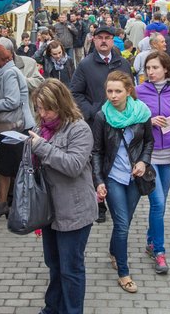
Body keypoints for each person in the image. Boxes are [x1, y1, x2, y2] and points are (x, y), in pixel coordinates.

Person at [28, 79, 98, 314]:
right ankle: (52, 308)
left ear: (61, 104)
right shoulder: (42, 129)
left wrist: (41, 148)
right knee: (54, 265)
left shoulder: (79, 128)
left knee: (71, 269)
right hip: (50, 210)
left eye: (47, 108)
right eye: (38, 108)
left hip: (74, 212)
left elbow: (73, 165)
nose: (42, 113)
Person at [92, 71, 154, 293]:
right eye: (109, 91)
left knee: (124, 223)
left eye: (118, 91)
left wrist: (143, 162)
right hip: (113, 177)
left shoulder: (142, 112)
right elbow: (97, 151)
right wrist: (98, 180)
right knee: (120, 224)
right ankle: (124, 273)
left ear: (129, 91)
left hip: (135, 177)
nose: (113, 96)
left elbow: (149, 142)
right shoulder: (102, 117)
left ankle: (113, 251)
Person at [70, 24, 133, 223]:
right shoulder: (86, 64)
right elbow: (75, 93)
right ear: (94, 40)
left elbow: (131, 90)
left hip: (121, 123)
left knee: (114, 160)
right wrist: (92, 111)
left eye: (108, 37)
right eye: (100, 38)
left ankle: (116, 199)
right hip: (96, 123)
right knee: (95, 161)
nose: (104, 41)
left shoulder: (122, 63)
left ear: (113, 40)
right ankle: (99, 204)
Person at [136, 51, 170, 274]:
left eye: (155, 67)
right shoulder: (138, 92)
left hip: (169, 157)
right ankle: (159, 252)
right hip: (149, 156)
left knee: (161, 203)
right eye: (148, 68)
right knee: (157, 203)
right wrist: (148, 119)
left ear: (166, 69)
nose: (151, 72)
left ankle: (150, 240)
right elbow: (129, 118)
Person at [0, 42, 36, 222]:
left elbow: (12, 101)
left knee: (10, 168)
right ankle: (4, 204)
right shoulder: (6, 72)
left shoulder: (10, 74)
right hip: (12, 128)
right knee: (4, 168)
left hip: (17, 127)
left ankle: (11, 206)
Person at [0, 37, 44, 158]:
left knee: (11, 167)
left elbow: (13, 101)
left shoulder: (20, 67)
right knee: (7, 167)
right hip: (5, 122)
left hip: (18, 123)